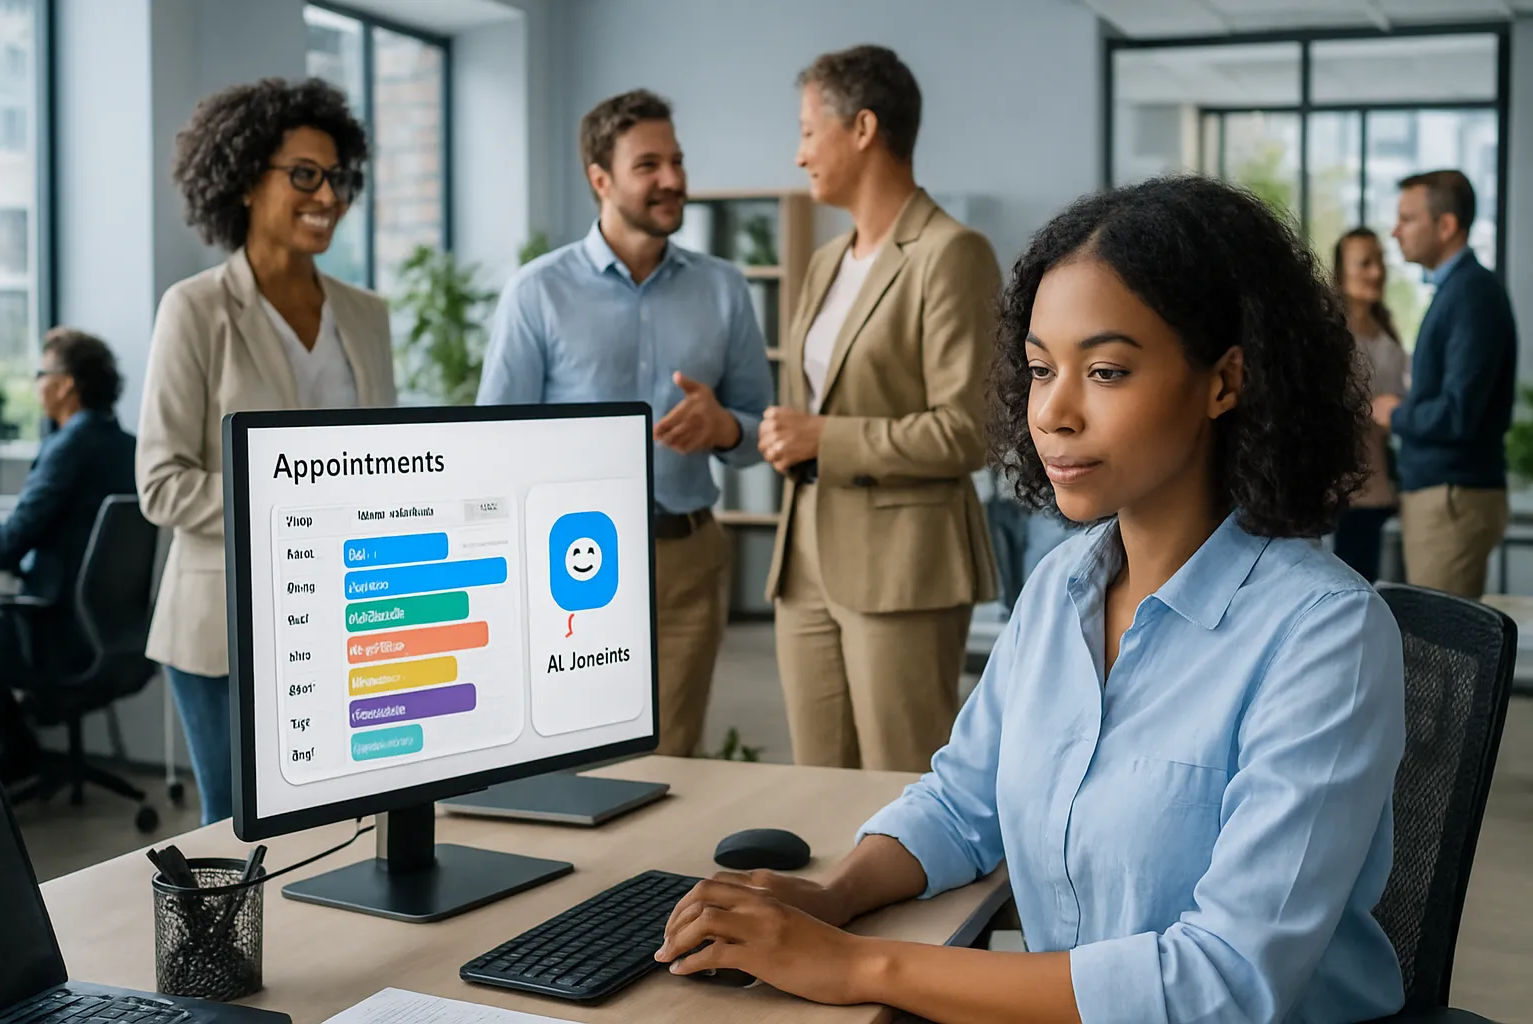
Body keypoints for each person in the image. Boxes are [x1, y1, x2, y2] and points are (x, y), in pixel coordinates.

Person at [657, 176, 1407, 1022]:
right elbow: (962, 801)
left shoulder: (1325, 636)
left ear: (1224, 382)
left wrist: (861, 967)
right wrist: (832, 898)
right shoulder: (1063, 587)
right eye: (1042, 369)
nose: (1053, 411)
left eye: (1108, 371)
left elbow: (1222, 984)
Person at [476, 90, 772, 758]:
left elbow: (759, 432)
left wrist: (724, 426)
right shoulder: (537, 292)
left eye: (677, 161)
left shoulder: (724, 288)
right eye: (649, 165)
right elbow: (493, 444)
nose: (672, 179)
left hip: (686, 560)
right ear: (600, 179)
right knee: (572, 755)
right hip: (566, 566)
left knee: (671, 761)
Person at [137, 78, 396, 825]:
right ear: (248, 179)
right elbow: (161, 483)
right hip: (223, 622)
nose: (329, 197)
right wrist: (291, 507)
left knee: (349, 813)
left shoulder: (367, 315)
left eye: (339, 178)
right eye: (306, 175)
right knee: (237, 825)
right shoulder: (196, 310)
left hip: (347, 605)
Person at [763, 45, 999, 773]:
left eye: (808, 131)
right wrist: (786, 435)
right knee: (817, 789)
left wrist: (825, 437)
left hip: (901, 567)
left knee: (902, 792)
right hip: (803, 561)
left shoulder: (950, 253)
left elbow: (969, 430)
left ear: (862, 128)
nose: (799, 153)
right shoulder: (825, 262)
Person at [0, 330, 135, 784]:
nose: (36, 384)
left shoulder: (69, 447)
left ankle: (19, 752)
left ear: (66, 384)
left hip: (59, 629)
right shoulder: (126, 445)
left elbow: (13, 540)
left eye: (41, 372)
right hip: (114, 628)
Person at [1374, 170, 1517, 598]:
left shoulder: (1471, 293)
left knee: (1443, 657)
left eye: (1408, 218)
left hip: (1452, 498)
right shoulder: (1458, 290)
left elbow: (1458, 415)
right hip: (1445, 495)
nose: (1396, 231)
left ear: (1446, 225)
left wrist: (1393, 412)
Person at [1332, 226, 1407, 582]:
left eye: (1379, 261)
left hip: (1377, 489)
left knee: (1371, 585)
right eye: (1364, 263)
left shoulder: (1388, 334)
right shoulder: (1329, 335)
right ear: (1341, 272)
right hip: (1336, 491)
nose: (1376, 271)